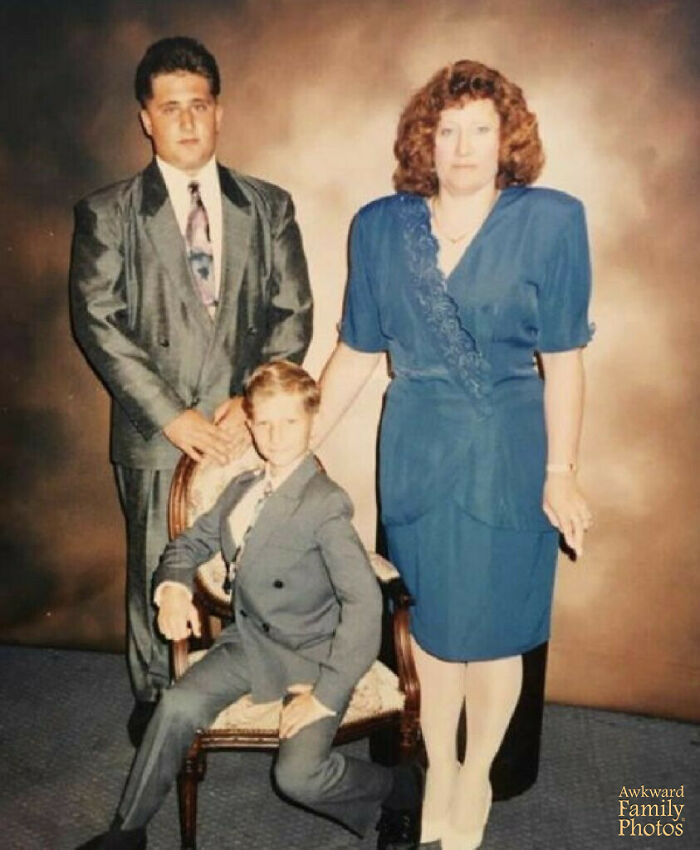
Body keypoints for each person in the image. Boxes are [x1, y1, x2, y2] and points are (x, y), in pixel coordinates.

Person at [316, 60, 594, 850]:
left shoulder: (552, 221)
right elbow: (356, 356)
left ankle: (477, 776)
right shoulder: (379, 226)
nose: (463, 146)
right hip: (415, 449)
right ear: (423, 141)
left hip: (510, 451)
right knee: (434, 632)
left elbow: (566, 359)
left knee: (496, 631)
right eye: (446, 130)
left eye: (479, 128)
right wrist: (290, 445)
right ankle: (441, 766)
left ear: (507, 137)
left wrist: (561, 471)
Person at [69, 36, 313, 746]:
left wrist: (254, 399)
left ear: (219, 113)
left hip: (250, 432)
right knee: (157, 567)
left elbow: (292, 311)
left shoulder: (267, 207)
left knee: (260, 561)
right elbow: (99, 321)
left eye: (198, 106)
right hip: (157, 434)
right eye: (168, 107)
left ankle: (260, 680)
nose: (185, 121)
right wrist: (172, 415)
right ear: (145, 118)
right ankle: (155, 701)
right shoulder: (109, 214)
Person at [76, 361, 422, 850]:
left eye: (290, 422)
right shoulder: (241, 489)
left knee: (299, 776)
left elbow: (365, 605)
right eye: (264, 422)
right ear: (250, 423)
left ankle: (398, 788)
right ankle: (127, 832)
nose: (276, 436)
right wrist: (173, 586)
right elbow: (188, 545)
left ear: (312, 422)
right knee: (174, 706)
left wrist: (325, 694)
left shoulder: (325, 503)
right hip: (250, 643)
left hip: (313, 655)